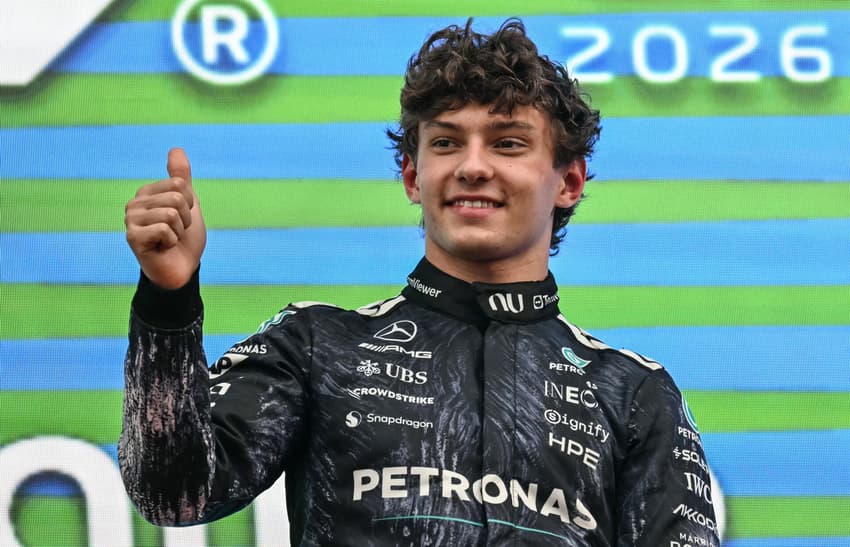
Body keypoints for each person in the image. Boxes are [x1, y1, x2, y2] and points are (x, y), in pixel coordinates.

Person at [120, 19, 720, 546]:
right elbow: (174, 493)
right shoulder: (316, 345)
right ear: (412, 175)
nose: (473, 165)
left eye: (508, 143)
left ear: (568, 181)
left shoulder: (632, 393)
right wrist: (168, 303)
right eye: (446, 142)